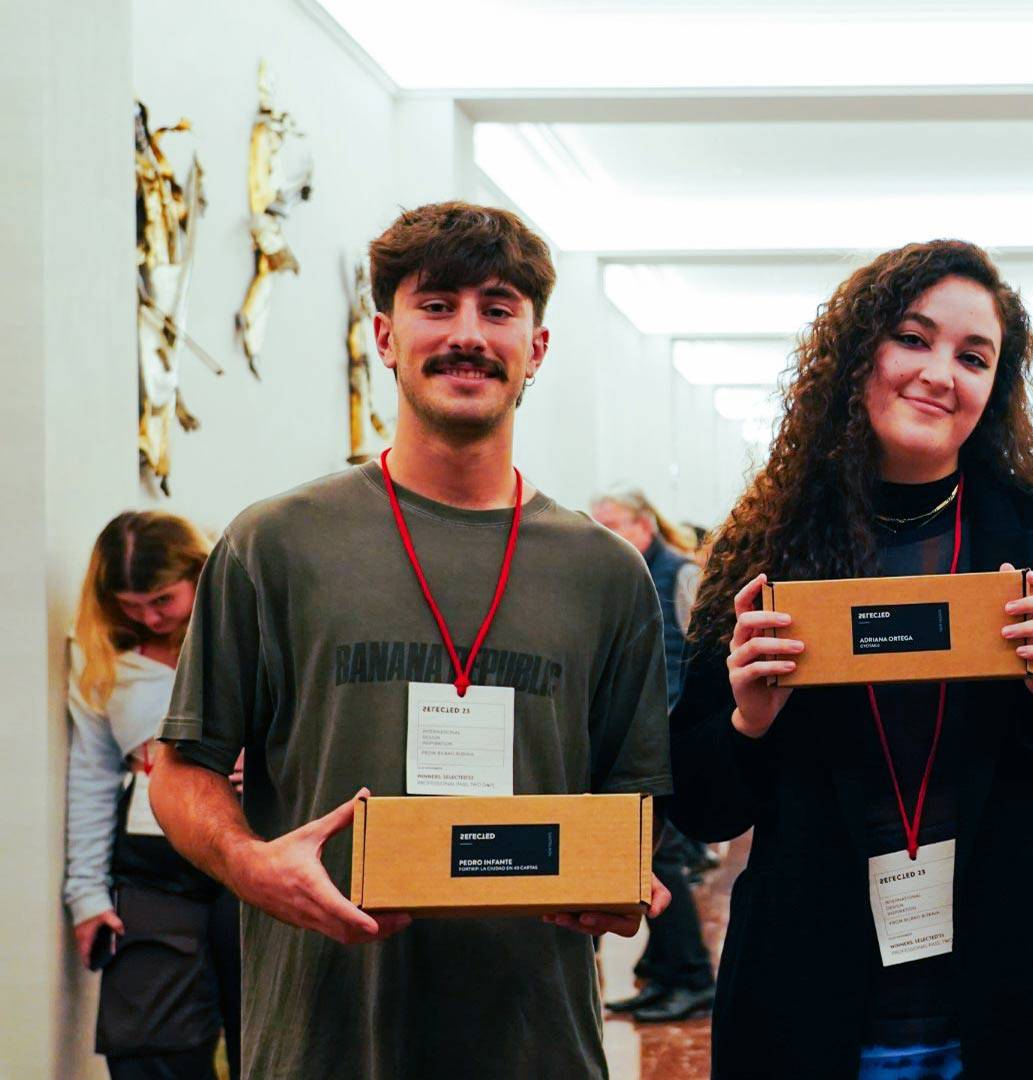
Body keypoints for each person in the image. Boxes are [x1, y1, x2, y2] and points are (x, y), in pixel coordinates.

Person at [149, 201, 672, 1080]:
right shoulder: (274, 544)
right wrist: (251, 865)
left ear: (536, 348)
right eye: (437, 305)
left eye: (498, 309)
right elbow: (181, 770)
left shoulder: (606, 573)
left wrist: (624, 879)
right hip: (322, 1043)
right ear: (386, 337)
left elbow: (634, 794)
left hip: (534, 1043)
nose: (467, 334)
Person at [668, 239, 1033, 1079]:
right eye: (913, 338)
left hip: (1032, 989)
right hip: (820, 995)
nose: (940, 373)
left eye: (973, 357)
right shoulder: (768, 547)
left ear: (995, 388)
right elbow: (700, 803)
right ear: (856, 354)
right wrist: (746, 723)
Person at [64, 512, 241, 1080]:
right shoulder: (103, 663)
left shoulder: (236, 637)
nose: (149, 618)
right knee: (148, 1043)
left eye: (163, 600)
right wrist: (86, 894)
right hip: (152, 866)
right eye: (131, 605)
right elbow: (91, 778)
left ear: (198, 573)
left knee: (265, 1035)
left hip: (249, 852)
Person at [591, 489, 716, 1022]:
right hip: (639, 733)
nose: (603, 533)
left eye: (613, 523)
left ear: (644, 525)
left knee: (660, 856)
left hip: (668, 735)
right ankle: (664, 973)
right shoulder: (622, 574)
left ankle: (691, 977)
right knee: (646, 856)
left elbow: (702, 656)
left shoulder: (681, 574)